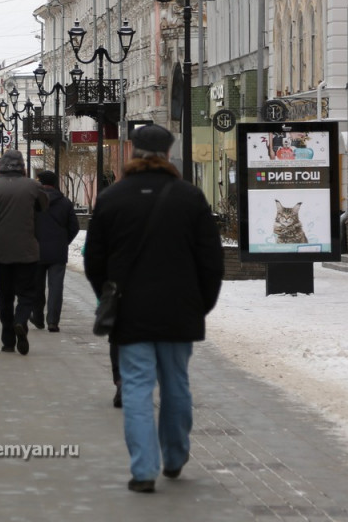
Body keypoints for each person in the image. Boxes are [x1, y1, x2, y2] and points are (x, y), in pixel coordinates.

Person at [83, 124, 224, 494]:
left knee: (136, 387)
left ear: (132, 150)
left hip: (130, 310)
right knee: (177, 384)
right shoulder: (190, 198)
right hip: (180, 308)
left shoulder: (112, 198)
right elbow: (211, 260)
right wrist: (201, 303)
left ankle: (143, 469)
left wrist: (107, 296)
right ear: (169, 151)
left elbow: (94, 259)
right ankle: (175, 456)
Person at [0, 149, 48, 356]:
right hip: (27, 248)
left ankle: (8, 340)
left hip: (1, 250)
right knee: (27, 293)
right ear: (22, 166)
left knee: (4, 294)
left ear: (2, 166)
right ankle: (21, 321)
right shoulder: (33, 186)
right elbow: (44, 206)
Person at [31, 170, 80, 333]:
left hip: (36, 250)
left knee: (37, 286)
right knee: (56, 287)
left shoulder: (33, 202)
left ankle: (37, 317)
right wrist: (63, 241)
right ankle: (53, 321)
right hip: (58, 251)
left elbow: (26, 224)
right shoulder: (65, 202)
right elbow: (74, 226)